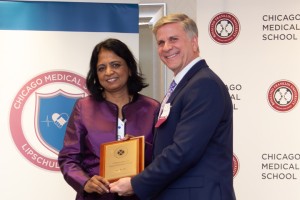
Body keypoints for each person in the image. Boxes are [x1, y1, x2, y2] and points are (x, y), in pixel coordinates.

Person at [109, 13, 236, 200]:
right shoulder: (186, 84)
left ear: (194, 42)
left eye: (173, 39)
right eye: (161, 43)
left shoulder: (203, 84)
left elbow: (184, 152)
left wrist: (136, 183)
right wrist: (140, 149)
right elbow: (179, 142)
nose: (166, 48)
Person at [58, 38, 160, 200]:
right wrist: (85, 182)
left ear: (130, 68)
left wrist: (141, 148)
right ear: (96, 74)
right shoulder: (83, 107)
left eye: (116, 65)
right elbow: (68, 158)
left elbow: (163, 157)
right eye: (101, 68)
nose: (108, 72)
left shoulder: (152, 108)